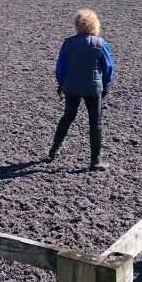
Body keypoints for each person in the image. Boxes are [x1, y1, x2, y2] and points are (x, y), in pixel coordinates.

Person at [48, 9, 114, 170]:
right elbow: (108, 67)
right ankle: (95, 161)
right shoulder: (100, 43)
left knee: (68, 117)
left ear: (77, 24)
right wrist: (105, 84)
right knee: (95, 123)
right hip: (93, 88)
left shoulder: (68, 43)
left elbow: (60, 67)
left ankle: (54, 149)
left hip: (71, 87)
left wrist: (61, 83)